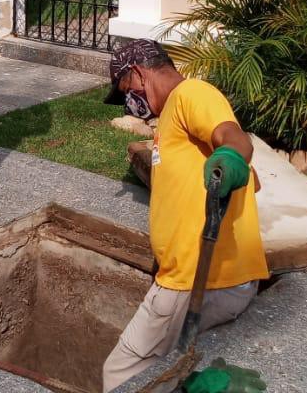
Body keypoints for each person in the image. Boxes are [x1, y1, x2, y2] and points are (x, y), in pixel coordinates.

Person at [101, 39, 270, 392]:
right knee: (174, 371)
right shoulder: (174, 119)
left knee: (118, 376)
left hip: (194, 280)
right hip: (202, 277)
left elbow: (235, 140)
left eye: (126, 91)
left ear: (138, 73)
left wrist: (232, 158)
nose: (131, 105)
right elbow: (250, 183)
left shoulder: (190, 93)